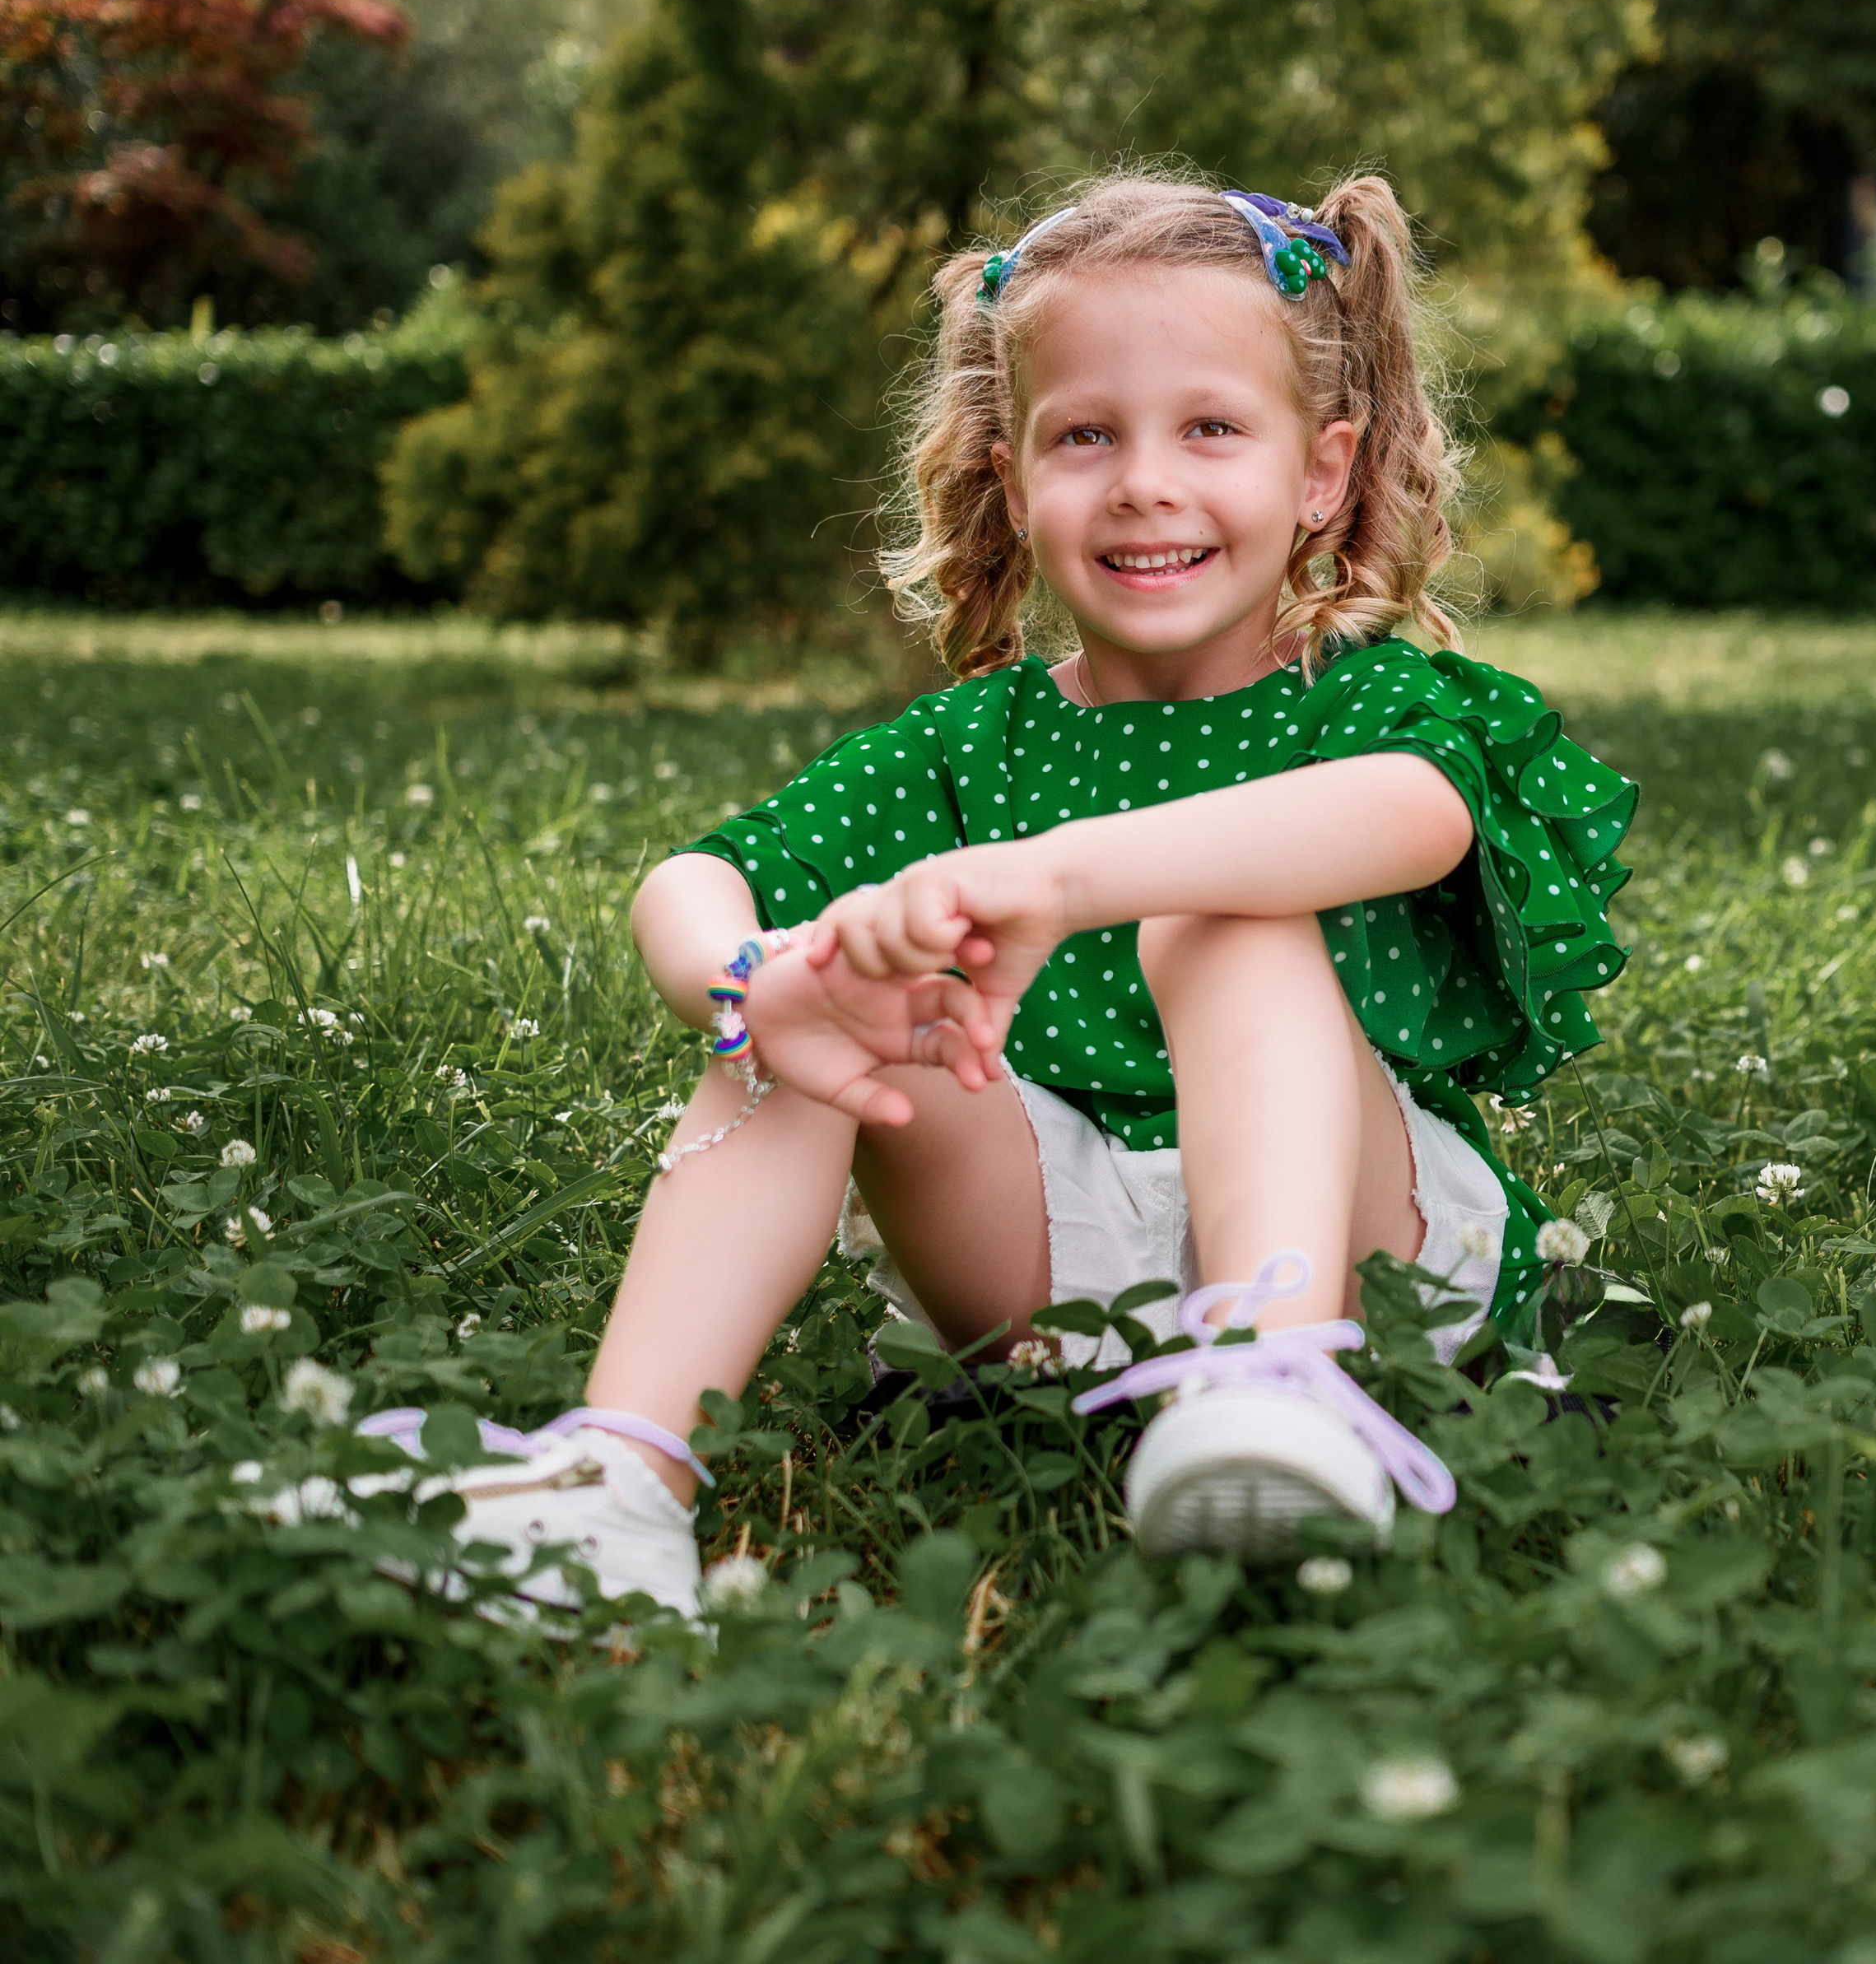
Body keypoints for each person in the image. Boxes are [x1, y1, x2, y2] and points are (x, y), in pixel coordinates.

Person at [364, 173, 1636, 1617]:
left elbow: (1410, 819)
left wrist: (1052, 878)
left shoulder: (1372, 711)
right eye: (1085, 435)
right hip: (1045, 1258)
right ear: (1015, 481)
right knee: (820, 1004)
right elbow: (695, 876)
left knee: (1218, 910)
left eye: (1212, 428)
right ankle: (619, 1483)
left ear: (1322, 473)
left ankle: (1276, 1390)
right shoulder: (977, 742)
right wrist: (749, 984)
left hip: (1348, 1242)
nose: (1146, 481)